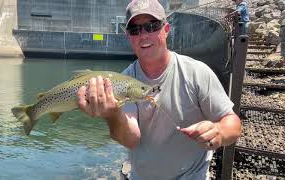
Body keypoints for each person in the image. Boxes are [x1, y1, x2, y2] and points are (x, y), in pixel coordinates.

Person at [77, 0, 241, 179]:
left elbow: (233, 125)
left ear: (166, 29)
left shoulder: (197, 73)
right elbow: (131, 139)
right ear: (129, 37)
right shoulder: (123, 82)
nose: (143, 35)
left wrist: (218, 131)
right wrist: (112, 114)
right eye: (135, 30)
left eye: (151, 26)